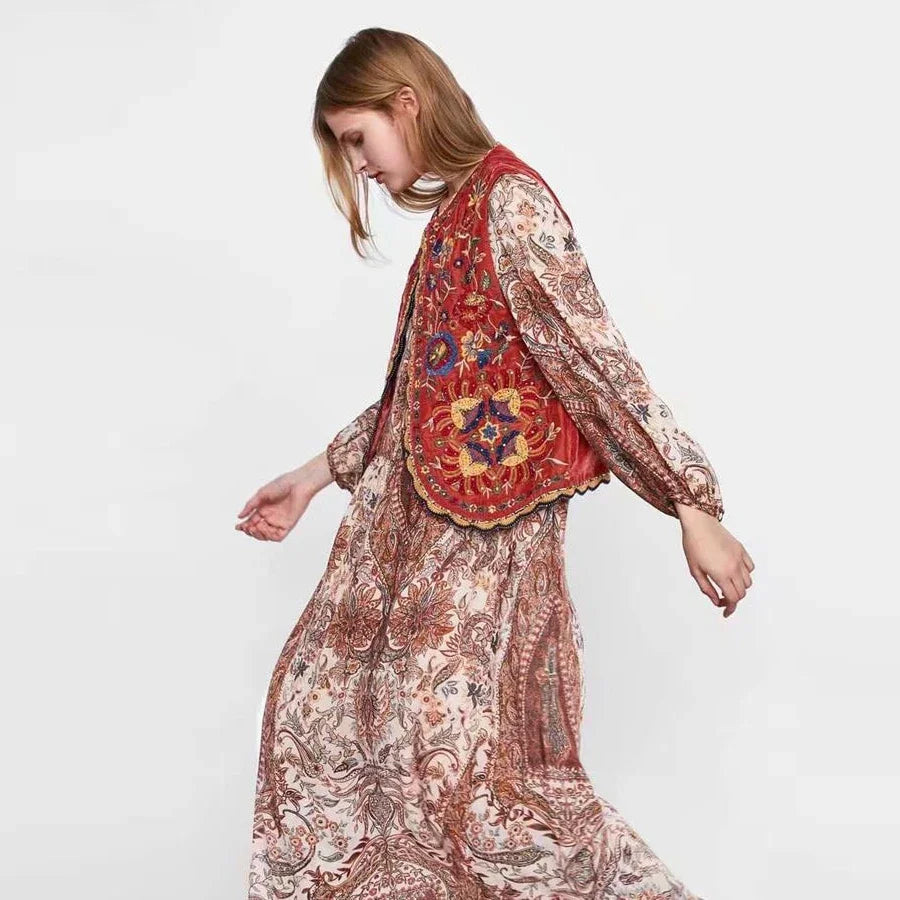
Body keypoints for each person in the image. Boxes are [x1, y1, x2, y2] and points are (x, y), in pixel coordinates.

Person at [236, 27, 753, 900]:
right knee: (329, 726)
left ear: (407, 103)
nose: (358, 165)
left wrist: (690, 503)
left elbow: (592, 360)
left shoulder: (511, 204)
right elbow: (424, 395)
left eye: (358, 138)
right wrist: (315, 474)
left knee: (492, 791)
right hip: (401, 543)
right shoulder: (455, 218)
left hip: (481, 545)